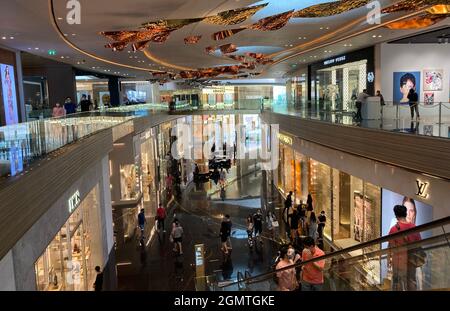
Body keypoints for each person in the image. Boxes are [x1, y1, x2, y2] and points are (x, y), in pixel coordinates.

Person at [388, 205, 422, 291]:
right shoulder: (414, 227)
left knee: (398, 282)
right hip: (411, 260)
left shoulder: (393, 230)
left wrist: (388, 260)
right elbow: (419, 244)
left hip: (399, 261)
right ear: (405, 213)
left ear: (396, 215)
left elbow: (391, 247)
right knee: (411, 281)